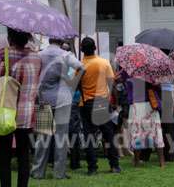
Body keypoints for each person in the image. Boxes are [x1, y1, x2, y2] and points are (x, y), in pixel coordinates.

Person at [0, 28, 41, 187]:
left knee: (4, 155)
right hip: (26, 113)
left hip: (6, 111)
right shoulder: (36, 57)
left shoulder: (4, 53)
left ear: (9, 37)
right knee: (23, 155)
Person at [31, 38, 83, 179]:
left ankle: (37, 171)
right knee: (61, 137)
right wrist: (72, 82)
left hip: (43, 98)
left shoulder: (39, 55)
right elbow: (81, 67)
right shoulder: (66, 55)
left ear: (49, 40)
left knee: (43, 137)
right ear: (61, 41)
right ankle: (59, 173)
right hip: (63, 98)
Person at [79, 37, 121, 175]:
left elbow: (72, 84)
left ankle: (92, 168)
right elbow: (111, 83)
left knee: (89, 137)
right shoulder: (104, 63)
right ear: (95, 48)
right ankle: (114, 166)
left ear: (81, 50)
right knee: (109, 135)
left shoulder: (79, 65)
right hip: (102, 102)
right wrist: (114, 102)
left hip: (85, 104)